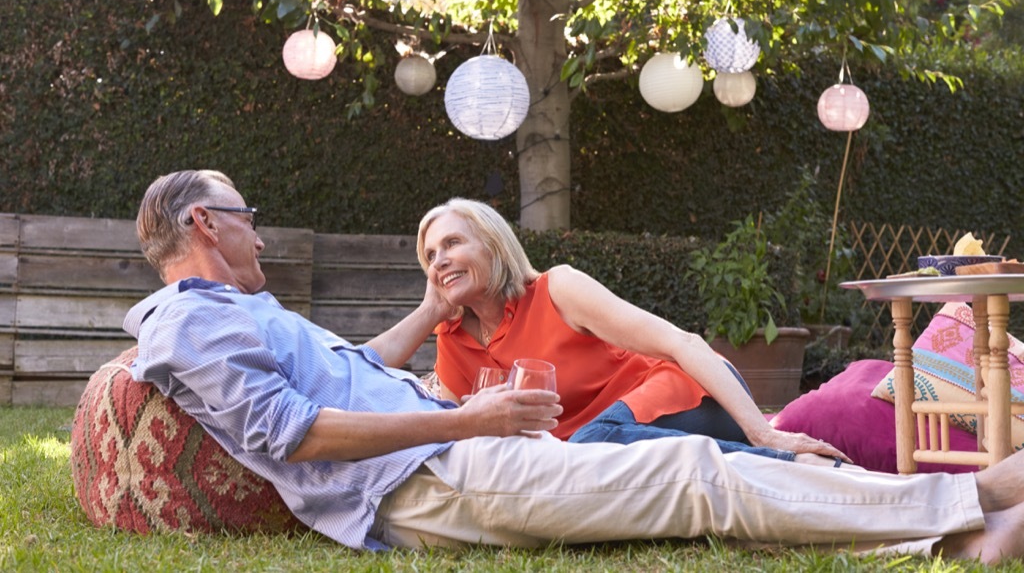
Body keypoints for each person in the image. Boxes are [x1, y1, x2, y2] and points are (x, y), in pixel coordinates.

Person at [126, 169, 1024, 562]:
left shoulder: (244, 314)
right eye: (245, 214)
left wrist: (435, 339)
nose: (259, 229)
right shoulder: (190, 324)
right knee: (695, 481)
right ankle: (970, 507)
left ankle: (955, 518)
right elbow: (296, 434)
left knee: (694, 470)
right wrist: (464, 419)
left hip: (465, 455)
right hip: (428, 478)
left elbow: (353, 369)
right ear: (206, 224)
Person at [416, 198, 840, 463]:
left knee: (593, 438)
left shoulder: (556, 289)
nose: (439, 261)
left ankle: (779, 461)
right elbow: (460, 434)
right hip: (597, 450)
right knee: (585, 447)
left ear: (492, 245)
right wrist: (428, 312)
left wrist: (764, 432)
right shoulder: (452, 342)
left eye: (452, 244)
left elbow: (682, 343)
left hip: (693, 391)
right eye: (431, 254)